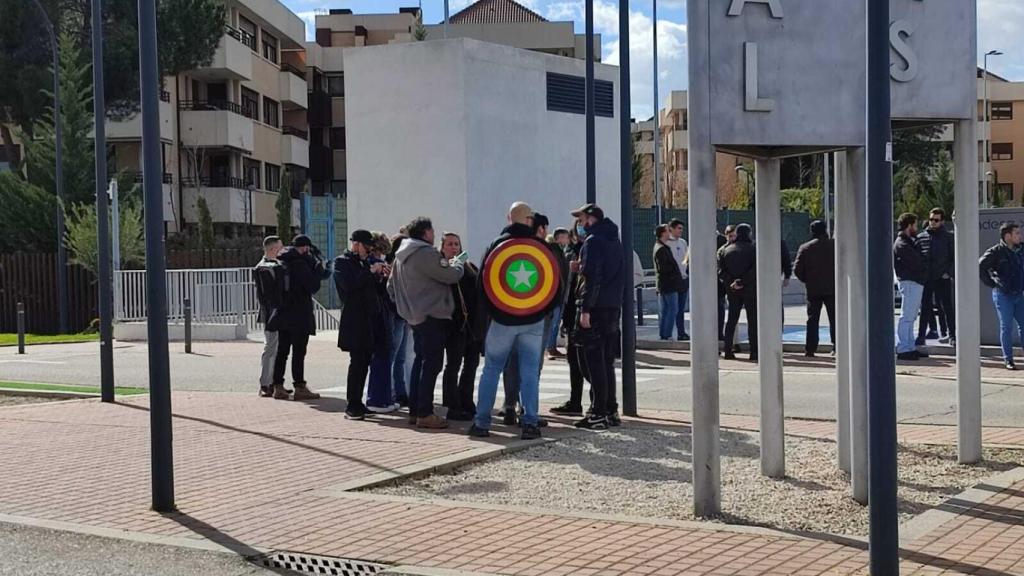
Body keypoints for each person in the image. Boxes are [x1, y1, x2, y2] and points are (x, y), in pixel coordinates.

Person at [469, 202, 554, 440]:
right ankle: (530, 423)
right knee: (529, 372)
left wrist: (488, 317)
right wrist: (541, 309)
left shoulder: (497, 245)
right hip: (534, 318)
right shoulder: (539, 247)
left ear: (509, 219)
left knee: (492, 369)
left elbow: (483, 285)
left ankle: (482, 422)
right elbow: (553, 285)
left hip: (502, 319)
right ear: (528, 220)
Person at [389, 217, 464, 429]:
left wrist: (407, 307)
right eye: (432, 232)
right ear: (426, 233)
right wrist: (457, 262)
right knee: (432, 364)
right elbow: (450, 275)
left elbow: (390, 288)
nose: (434, 235)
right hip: (432, 316)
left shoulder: (400, 255)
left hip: (414, 317)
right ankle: (425, 413)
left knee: (420, 363)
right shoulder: (425, 253)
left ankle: (415, 410)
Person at [501, 213, 557, 427]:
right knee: (531, 364)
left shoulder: (507, 247)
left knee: (512, 362)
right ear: (540, 229)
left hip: (512, 313)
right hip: (537, 315)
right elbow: (555, 283)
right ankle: (527, 411)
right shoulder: (542, 251)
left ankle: (509, 406)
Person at [572, 203, 625, 430]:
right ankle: (610, 409)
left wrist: (585, 309)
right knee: (606, 361)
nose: (580, 224)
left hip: (595, 307)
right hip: (612, 306)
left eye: (582, 219)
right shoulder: (615, 241)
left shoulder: (593, 242)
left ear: (591, 219)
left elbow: (593, 277)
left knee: (592, 362)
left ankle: (598, 413)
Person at [334, 230, 389, 420]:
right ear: (357, 244)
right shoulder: (342, 262)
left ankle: (359, 402)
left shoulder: (364, 263)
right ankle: (352, 404)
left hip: (370, 319)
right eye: (367, 247)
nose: (369, 251)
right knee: (356, 362)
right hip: (354, 319)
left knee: (365, 361)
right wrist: (369, 272)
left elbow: (373, 290)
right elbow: (349, 286)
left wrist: (381, 277)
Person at [271, 234, 323, 400]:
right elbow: (313, 285)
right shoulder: (300, 263)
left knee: (282, 351)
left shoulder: (282, 259)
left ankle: (277, 386)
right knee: (299, 352)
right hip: (299, 313)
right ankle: (299, 386)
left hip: (283, 312)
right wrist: (316, 269)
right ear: (305, 247)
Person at [440, 232, 481, 421]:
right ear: (442, 247)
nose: (454, 247)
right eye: (449, 244)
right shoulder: (442, 266)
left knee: (471, 364)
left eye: (457, 243)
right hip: (454, 323)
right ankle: (452, 404)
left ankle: (466, 400)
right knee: (453, 365)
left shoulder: (469, 265)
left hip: (472, 323)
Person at [549, 224, 587, 417]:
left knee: (587, 362)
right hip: (571, 311)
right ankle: (575, 401)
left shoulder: (590, 249)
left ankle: (602, 405)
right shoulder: (570, 251)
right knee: (573, 360)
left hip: (585, 312)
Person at [980, 222, 1024, 370]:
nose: (1020, 236)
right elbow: (981, 266)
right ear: (1007, 236)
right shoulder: (996, 251)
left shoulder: (1021, 250)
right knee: (1006, 327)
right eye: (1017, 233)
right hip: (1004, 295)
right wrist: (994, 283)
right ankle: (1008, 360)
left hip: (1020, 294)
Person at [365, 232, 401, 414]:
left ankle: (382, 398)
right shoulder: (373, 266)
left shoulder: (373, 264)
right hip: (381, 316)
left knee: (383, 359)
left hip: (381, 314)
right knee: (382, 358)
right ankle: (379, 399)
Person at [793, 220, 835, 357]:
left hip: (813, 289)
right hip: (833, 289)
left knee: (812, 319)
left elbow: (797, 270)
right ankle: (837, 345)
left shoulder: (805, 248)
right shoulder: (835, 246)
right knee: (835, 319)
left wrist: (808, 280)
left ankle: (810, 348)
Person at [916, 208, 956, 347]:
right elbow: (918, 257)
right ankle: (921, 336)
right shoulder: (921, 237)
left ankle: (952, 336)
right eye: (931, 219)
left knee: (947, 308)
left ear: (942, 221)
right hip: (927, 279)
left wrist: (948, 273)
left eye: (936, 220)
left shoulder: (948, 237)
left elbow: (954, 258)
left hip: (942, 278)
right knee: (925, 308)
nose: (933, 222)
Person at [718, 223, 757, 361]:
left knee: (731, 320)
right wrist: (742, 282)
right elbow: (754, 271)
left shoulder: (726, 250)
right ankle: (754, 352)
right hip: (750, 290)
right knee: (753, 321)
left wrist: (732, 283)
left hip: (732, 290)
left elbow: (721, 271)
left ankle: (728, 350)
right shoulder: (753, 250)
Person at [893, 213, 929, 361]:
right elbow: (917, 262)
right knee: (907, 316)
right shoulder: (902, 243)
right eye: (914, 224)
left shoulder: (907, 242)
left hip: (914, 281)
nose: (916, 227)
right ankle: (903, 348)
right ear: (909, 225)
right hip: (910, 281)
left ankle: (909, 347)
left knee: (911, 316)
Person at [253, 235, 284, 398]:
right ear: (273, 249)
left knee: (276, 348)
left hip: (275, 313)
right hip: (271, 313)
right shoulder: (264, 267)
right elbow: (270, 295)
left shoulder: (273, 265)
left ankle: (272, 381)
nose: (282, 250)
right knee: (270, 348)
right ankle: (265, 383)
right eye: (280, 248)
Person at [387, 234, 411, 406]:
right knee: (393, 356)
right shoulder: (395, 263)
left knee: (401, 357)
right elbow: (390, 290)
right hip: (397, 315)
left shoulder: (405, 264)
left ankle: (401, 392)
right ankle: (391, 391)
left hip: (404, 316)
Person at [654, 225, 686, 341]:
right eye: (668, 231)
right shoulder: (661, 249)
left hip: (665, 284)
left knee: (666, 309)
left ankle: (664, 333)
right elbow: (664, 268)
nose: (669, 233)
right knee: (672, 309)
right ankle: (666, 334)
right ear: (663, 233)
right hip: (668, 284)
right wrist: (675, 274)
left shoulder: (662, 247)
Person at [546, 228, 572, 359]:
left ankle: (551, 347)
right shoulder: (555, 251)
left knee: (555, 322)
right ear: (559, 238)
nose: (567, 240)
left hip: (559, 293)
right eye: (565, 237)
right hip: (556, 294)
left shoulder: (559, 251)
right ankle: (550, 348)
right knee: (554, 322)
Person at [667, 219, 690, 340]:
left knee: (681, 308)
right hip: (672, 279)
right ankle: (667, 333)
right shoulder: (666, 243)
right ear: (671, 229)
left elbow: (686, 258)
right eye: (678, 228)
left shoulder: (683, 242)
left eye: (681, 228)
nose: (681, 231)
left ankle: (681, 332)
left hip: (683, 278)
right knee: (672, 308)